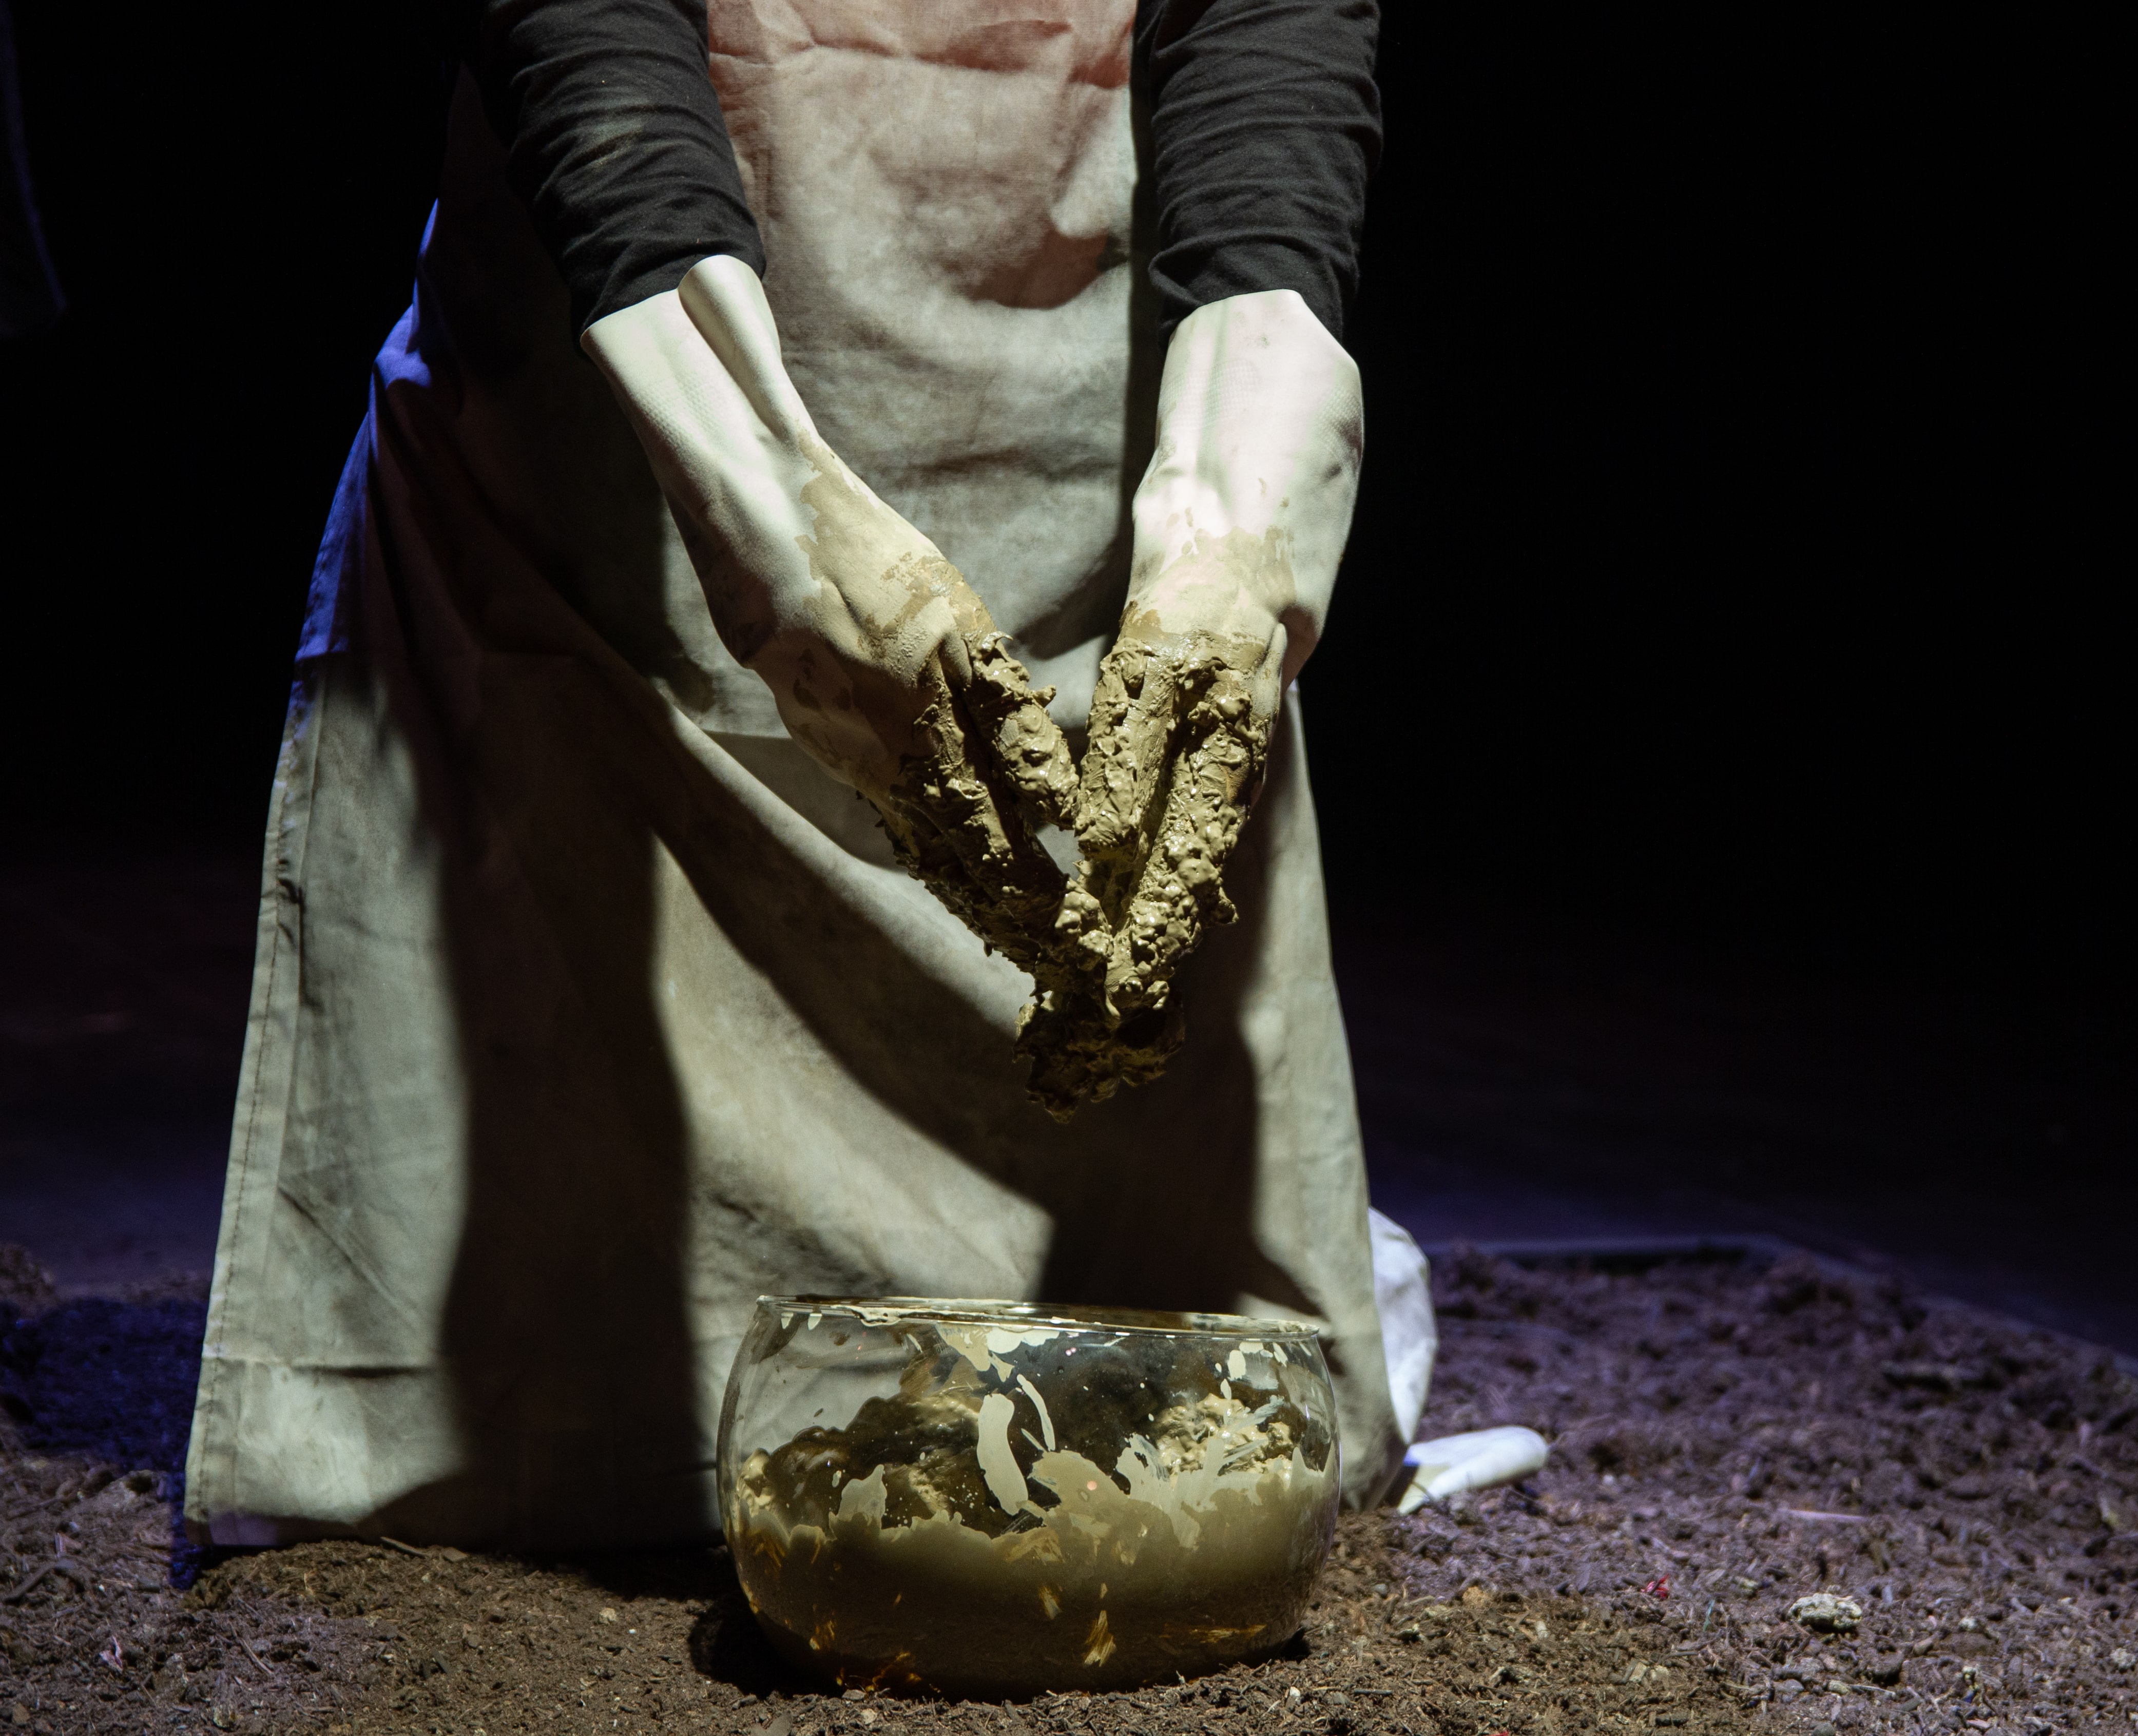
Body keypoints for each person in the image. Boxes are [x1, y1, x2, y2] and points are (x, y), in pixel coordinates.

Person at [181, 0, 1424, 1549]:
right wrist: (757, 493)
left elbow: (1270, 23)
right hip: (632, 456)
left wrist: (1241, 512)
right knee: (524, 1422)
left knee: (1159, 1448)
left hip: (1087, 466)